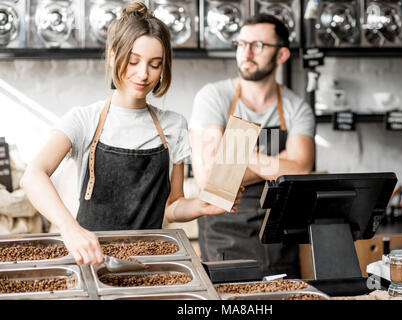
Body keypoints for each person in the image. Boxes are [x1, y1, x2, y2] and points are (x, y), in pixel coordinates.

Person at [20, 1, 240, 267]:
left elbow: (172, 205)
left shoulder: (173, 125)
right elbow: (32, 175)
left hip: (150, 262)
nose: (143, 74)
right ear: (113, 56)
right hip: (92, 259)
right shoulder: (84, 120)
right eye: (133, 61)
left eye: (155, 64)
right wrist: (70, 228)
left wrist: (200, 206)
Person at [189, 14, 315, 278]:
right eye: (241, 43)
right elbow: (211, 179)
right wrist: (279, 163)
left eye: (257, 45)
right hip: (224, 238)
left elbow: (302, 171)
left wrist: (234, 155)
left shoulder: (297, 108)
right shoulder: (213, 97)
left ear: (281, 55)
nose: (246, 52)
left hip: (279, 241)